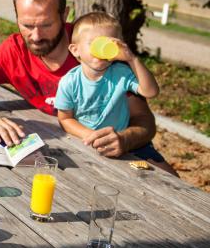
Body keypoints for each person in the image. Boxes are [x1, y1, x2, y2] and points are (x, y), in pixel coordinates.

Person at [0, 0, 174, 172]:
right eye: (27, 25)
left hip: (125, 153)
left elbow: (145, 122)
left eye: (46, 25)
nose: (36, 36)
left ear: (65, 15)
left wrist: (125, 139)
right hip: (68, 157)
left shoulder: (95, 51)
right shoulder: (12, 52)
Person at [55, 12, 161, 150]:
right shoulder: (69, 82)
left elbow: (151, 92)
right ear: (75, 50)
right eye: (93, 43)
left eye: (108, 43)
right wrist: (91, 135)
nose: (102, 49)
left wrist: (132, 59)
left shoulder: (121, 73)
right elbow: (65, 119)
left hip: (118, 142)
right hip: (84, 142)